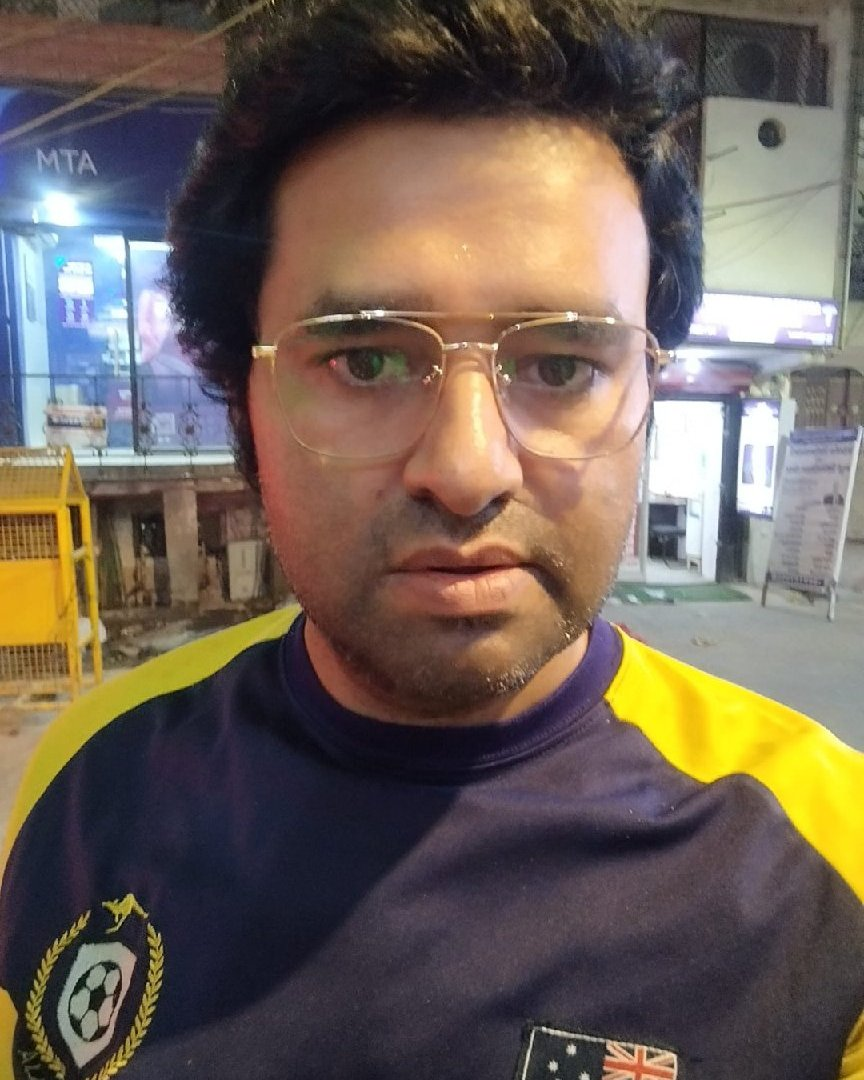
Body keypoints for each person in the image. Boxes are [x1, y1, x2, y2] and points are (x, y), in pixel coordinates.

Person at [1, 1, 862, 1077]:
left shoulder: (829, 872)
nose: (467, 469)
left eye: (561, 365)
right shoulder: (89, 781)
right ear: (241, 398)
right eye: (365, 360)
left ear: (648, 392)